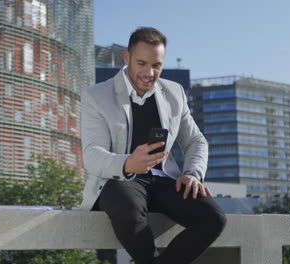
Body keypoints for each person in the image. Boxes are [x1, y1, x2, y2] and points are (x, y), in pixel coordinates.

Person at [79, 27, 226, 264]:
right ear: (127, 58)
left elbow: (195, 140)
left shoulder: (173, 92)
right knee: (127, 209)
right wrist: (128, 163)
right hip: (120, 180)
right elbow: (92, 155)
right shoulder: (96, 96)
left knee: (214, 218)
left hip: (163, 180)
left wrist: (192, 173)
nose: (149, 72)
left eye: (156, 65)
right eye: (142, 63)